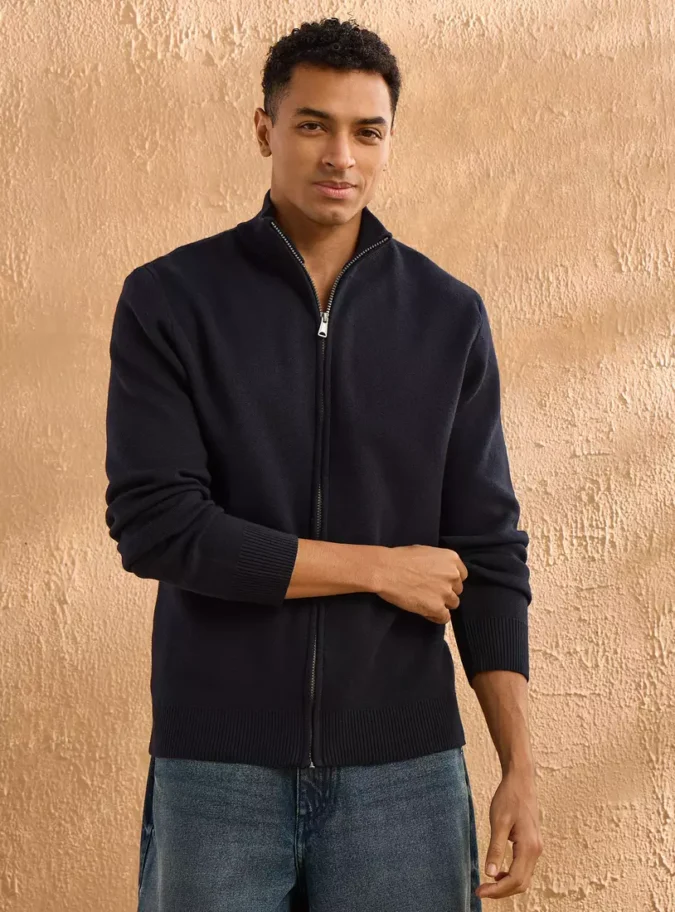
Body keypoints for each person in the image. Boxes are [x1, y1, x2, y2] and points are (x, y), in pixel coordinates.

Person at [104, 16, 543, 912]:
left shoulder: (447, 316)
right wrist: (378, 569)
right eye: (312, 125)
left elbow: (487, 550)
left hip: (407, 772)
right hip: (217, 768)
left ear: (388, 141)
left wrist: (520, 767)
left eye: (365, 131)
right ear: (264, 129)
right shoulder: (170, 299)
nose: (340, 155)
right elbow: (159, 527)